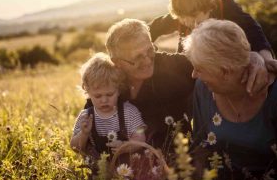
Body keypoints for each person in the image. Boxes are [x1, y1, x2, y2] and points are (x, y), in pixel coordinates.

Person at [84, 19, 268, 153]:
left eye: (150, 50)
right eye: (137, 57)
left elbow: (219, 58)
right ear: (117, 62)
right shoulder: (107, 84)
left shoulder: (174, 66)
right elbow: (88, 129)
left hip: (180, 162)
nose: (148, 60)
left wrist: (254, 58)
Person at [184, 19, 277, 180]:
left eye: (199, 68)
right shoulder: (203, 89)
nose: (193, 74)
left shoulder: (274, 96)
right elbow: (200, 149)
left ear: (225, 72)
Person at [149, 0, 277, 81]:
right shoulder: (183, 12)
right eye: (186, 21)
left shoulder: (225, 7)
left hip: (222, 69)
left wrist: (266, 58)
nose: (193, 26)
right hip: (190, 70)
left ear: (210, 5)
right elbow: (152, 28)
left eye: (196, 19)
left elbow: (253, 29)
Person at [70, 52, 146, 157]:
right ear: (88, 92)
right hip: (98, 169)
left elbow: (141, 139)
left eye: (109, 94)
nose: (104, 100)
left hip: (126, 167)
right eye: (98, 96)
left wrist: (125, 146)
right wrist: (84, 133)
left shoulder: (129, 112)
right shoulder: (86, 117)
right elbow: (75, 148)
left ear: (118, 90)